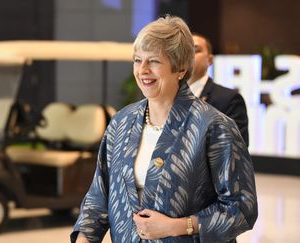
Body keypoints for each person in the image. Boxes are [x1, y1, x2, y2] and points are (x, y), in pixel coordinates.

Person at [71, 15, 257, 243]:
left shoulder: (214, 127)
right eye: (137, 60)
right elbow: (99, 195)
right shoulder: (121, 122)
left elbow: (242, 207)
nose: (143, 70)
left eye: (154, 61)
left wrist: (176, 226)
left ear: (179, 69)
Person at [188, 33, 249, 146]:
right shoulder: (168, 97)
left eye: (196, 50)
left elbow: (236, 150)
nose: (189, 55)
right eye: (184, 51)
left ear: (210, 60)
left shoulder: (229, 99)